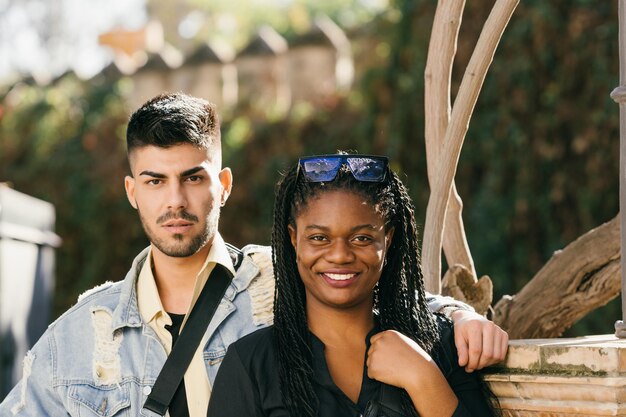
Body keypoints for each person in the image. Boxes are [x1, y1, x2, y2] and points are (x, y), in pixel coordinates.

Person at [0, 94, 506, 417]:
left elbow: (389, 296)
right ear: (133, 191)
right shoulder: (79, 334)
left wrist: (462, 317)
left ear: (222, 185)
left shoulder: (285, 278)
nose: (174, 201)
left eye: (192, 177)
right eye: (155, 181)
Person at [207, 154, 501, 417]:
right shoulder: (251, 365)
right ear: (294, 239)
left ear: (388, 238)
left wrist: (423, 379)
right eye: (319, 238)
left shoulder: (439, 346)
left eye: (361, 238)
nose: (339, 255)